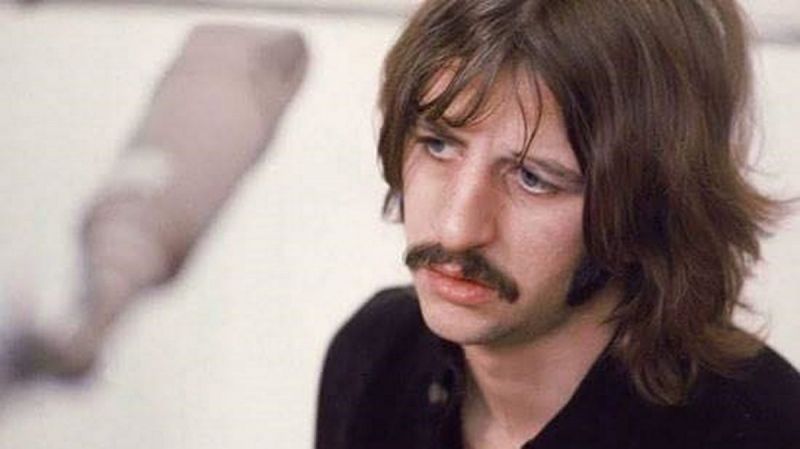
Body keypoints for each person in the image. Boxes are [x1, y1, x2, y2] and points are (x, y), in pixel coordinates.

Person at [315, 1, 800, 448]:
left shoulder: (763, 430)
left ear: (646, 205)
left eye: (533, 178)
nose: (457, 230)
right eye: (438, 145)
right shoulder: (376, 355)